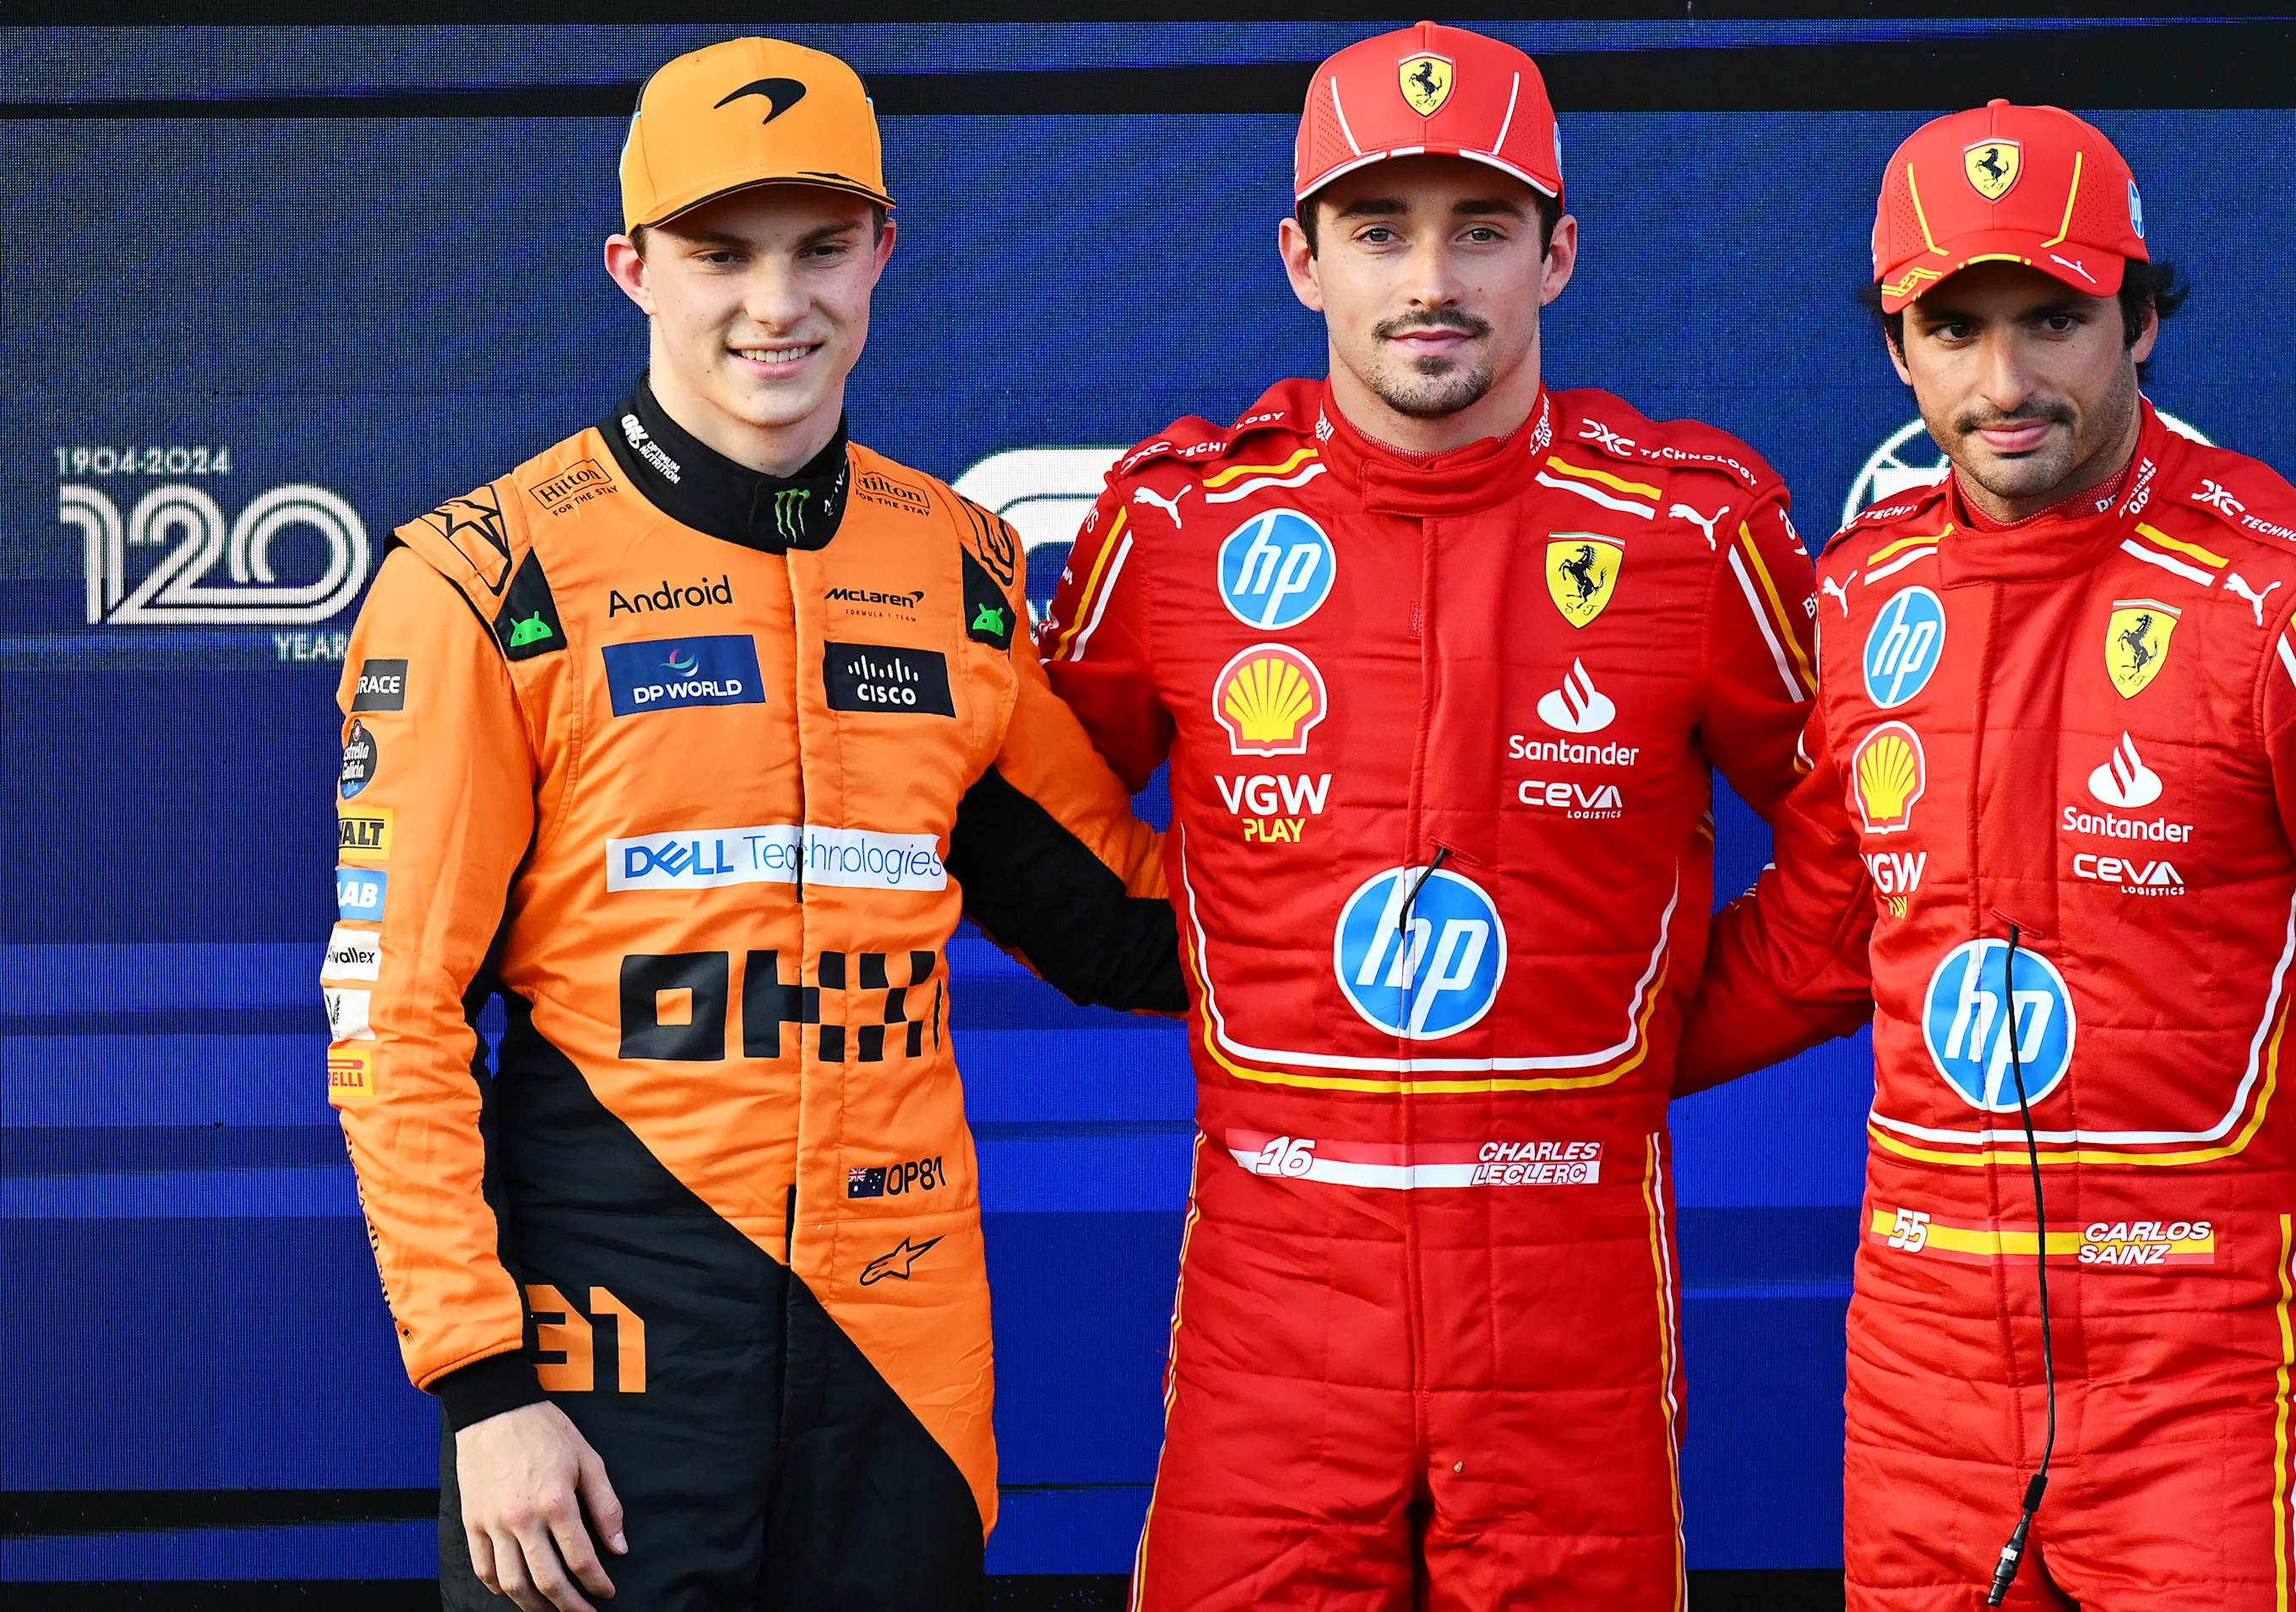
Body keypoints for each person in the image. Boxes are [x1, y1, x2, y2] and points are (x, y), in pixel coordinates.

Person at [324, 38, 1181, 1612]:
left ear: (882, 255)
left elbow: (1125, 929)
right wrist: (481, 1389)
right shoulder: (485, 578)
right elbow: (395, 1020)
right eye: (721, 255)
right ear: (631, 266)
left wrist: (1390, 819)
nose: (775, 306)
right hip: (605, 1352)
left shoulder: (964, 568)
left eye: (819, 250)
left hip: (904, 1360)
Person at [1677, 101, 2296, 1611]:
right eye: (1953, 327)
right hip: (1918, 1377)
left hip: (2206, 1370)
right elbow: (1827, 935)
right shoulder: (1861, 582)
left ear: (2144, 323)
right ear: (1898, 348)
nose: (2004, 381)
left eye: (2055, 320)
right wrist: (1538, 1065)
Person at [1036, 21, 1822, 1609]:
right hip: (1273, 1294)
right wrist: (1215, 962)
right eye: (1379, 230)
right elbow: (1035, 815)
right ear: (1301, 257)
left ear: (1560, 252)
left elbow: (1880, 847)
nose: (1430, 282)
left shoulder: (1692, 526)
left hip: (1568, 1291)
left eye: (1481, 229)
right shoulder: (1177, 521)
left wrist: (1652, 1027)